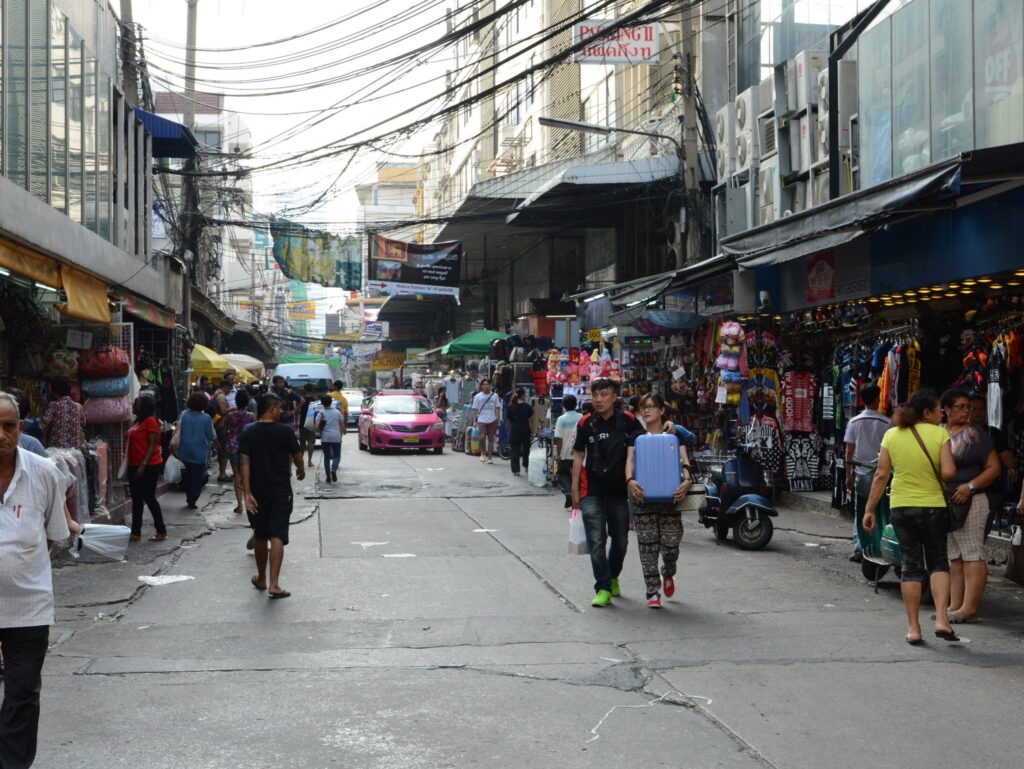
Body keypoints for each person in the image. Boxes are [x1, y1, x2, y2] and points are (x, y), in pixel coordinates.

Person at [0, 391, 70, 769]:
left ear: (21, 427)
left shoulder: (44, 471)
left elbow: (53, 534)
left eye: (8, 425)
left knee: (22, 693)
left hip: (28, 607)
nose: (0, 434)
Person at [863, 389, 959, 645]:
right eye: (939, 410)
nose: (942, 414)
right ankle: (941, 619)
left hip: (901, 507)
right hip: (933, 508)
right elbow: (949, 472)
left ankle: (914, 629)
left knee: (910, 565)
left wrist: (869, 509)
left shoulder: (891, 435)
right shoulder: (939, 433)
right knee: (938, 562)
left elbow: (881, 475)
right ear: (926, 413)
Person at [571, 378, 644, 608]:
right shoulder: (585, 423)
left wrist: (670, 427)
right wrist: (574, 490)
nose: (599, 400)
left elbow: (646, 440)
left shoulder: (628, 420)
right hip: (592, 490)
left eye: (604, 395)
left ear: (614, 397)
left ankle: (613, 577)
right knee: (596, 541)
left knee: (620, 541)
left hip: (619, 492)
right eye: (595, 395)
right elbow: (578, 456)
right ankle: (602, 587)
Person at [625, 393, 692, 608]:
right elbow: (630, 460)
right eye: (643, 407)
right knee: (647, 548)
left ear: (662, 410)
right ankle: (652, 591)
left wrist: (687, 481)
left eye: (651, 407)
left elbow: (684, 461)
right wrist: (629, 480)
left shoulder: (674, 434)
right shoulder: (635, 435)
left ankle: (668, 572)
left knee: (671, 546)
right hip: (642, 498)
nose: (646, 411)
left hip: (670, 500)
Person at [941, 388, 1001, 624]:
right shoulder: (940, 433)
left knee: (972, 553)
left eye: (969, 407)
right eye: (961, 407)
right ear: (946, 409)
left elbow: (994, 468)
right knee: (954, 556)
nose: (967, 411)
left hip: (972, 500)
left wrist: (971, 486)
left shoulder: (975, 434)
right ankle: (955, 605)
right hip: (948, 501)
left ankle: (969, 608)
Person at [240, 393, 305, 599]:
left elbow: (244, 464)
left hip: (258, 491)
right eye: (279, 408)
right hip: (280, 490)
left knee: (261, 534)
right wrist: (301, 469)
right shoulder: (284, 432)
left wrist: (247, 493)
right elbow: (297, 456)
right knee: (277, 534)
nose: (281, 412)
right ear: (272, 409)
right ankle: (274, 584)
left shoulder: (248, 431)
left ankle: (261, 578)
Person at [844, 383, 891, 562]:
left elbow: (849, 451)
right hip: (882, 473)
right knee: (881, 510)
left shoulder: (854, 422)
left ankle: (859, 546)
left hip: (861, 471)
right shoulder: (887, 423)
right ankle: (879, 544)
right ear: (878, 399)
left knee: (861, 510)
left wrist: (848, 474)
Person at [968, 393, 1015, 534]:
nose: (978, 412)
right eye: (974, 408)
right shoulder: (961, 432)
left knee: (983, 530)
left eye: (981, 409)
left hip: (990, 491)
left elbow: (1005, 454)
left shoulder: (994, 433)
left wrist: (1012, 468)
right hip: (966, 489)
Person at [126, 395, 167, 542]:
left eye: (136, 404)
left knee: (149, 497)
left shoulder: (151, 421)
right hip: (134, 464)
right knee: (136, 499)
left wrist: (143, 465)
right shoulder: (137, 421)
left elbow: (152, 444)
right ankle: (136, 532)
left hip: (149, 465)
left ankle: (161, 530)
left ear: (143, 407)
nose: (133, 406)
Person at [178, 391, 216, 510]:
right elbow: (210, 435)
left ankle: (189, 497)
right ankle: (192, 499)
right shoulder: (206, 418)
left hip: (184, 449)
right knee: (197, 477)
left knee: (188, 475)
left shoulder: (184, 415)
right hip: (200, 451)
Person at [223, 389, 256, 514]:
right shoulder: (251, 416)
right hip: (247, 448)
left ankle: (239, 505)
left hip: (233, 447)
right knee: (247, 474)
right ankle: (249, 499)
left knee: (237, 475)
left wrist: (233, 433)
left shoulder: (230, 416)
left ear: (236, 401)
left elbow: (224, 431)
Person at [554, 395, 582, 508]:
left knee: (562, 474)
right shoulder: (581, 417)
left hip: (565, 453)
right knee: (577, 476)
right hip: (578, 453)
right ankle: (573, 497)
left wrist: (559, 453)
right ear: (576, 404)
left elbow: (559, 438)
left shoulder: (561, 419)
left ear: (564, 406)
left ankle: (569, 493)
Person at [41, 376, 85, 449]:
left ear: (54, 391)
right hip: (74, 452)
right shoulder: (78, 406)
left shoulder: (54, 406)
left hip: (57, 452)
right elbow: (83, 423)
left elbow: (43, 426)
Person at [316, 394, 345, 483]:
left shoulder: (321, 413)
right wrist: (340, 435)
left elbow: (317, 426)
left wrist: (321, 433)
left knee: (326, 457)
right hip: (336, 436)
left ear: (322, 403)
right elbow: (342, 425)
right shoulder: (337, 412)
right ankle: (334, 469)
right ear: (331, 402)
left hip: (325, 438)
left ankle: (328, 476)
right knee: (337, 455)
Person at [471, 378, 501, 463]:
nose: (485, 386)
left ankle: (490, 457)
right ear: (481, 386)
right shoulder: (477, 396)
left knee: (491, 439)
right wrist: (474, 421)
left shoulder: (495, 396)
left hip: (492, 420)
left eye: (487, 384)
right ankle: (483, 452)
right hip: (481, 420)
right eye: (483, 384)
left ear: (490, 385)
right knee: (482, 437)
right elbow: (475, 410)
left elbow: (497, 408)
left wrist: (497, 418)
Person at [505, 388, 534, 477]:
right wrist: (532, 432)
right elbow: (530, 421)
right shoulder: (527, 407)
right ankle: (526, 466)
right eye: (525, 395)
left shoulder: (511, 407)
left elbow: (509, 421)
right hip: (525, 431)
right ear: (522, 396)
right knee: (526, 450)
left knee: (515, 451)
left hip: (515, 431)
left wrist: (508, 430)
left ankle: (515, 470)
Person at [213, 378, 234, 482]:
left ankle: (222, 473)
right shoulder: (221, 396)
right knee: (223, 450)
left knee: (222, 450)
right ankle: (222, 474)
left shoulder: (217, 394)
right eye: (229, 389)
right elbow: (223, 410)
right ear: (225, 387)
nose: (229, 391)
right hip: (221, 426)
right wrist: (233, 409)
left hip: (220, 425)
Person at [297, 383, 318, 469]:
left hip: (302, 423)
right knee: (311, 442)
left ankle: (301, 460)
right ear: (312, 390)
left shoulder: (301, 400)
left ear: (304, 390)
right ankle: (309, 461)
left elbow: (297, 411)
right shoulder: (314, 400)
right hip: (311, 424)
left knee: (302, 444)